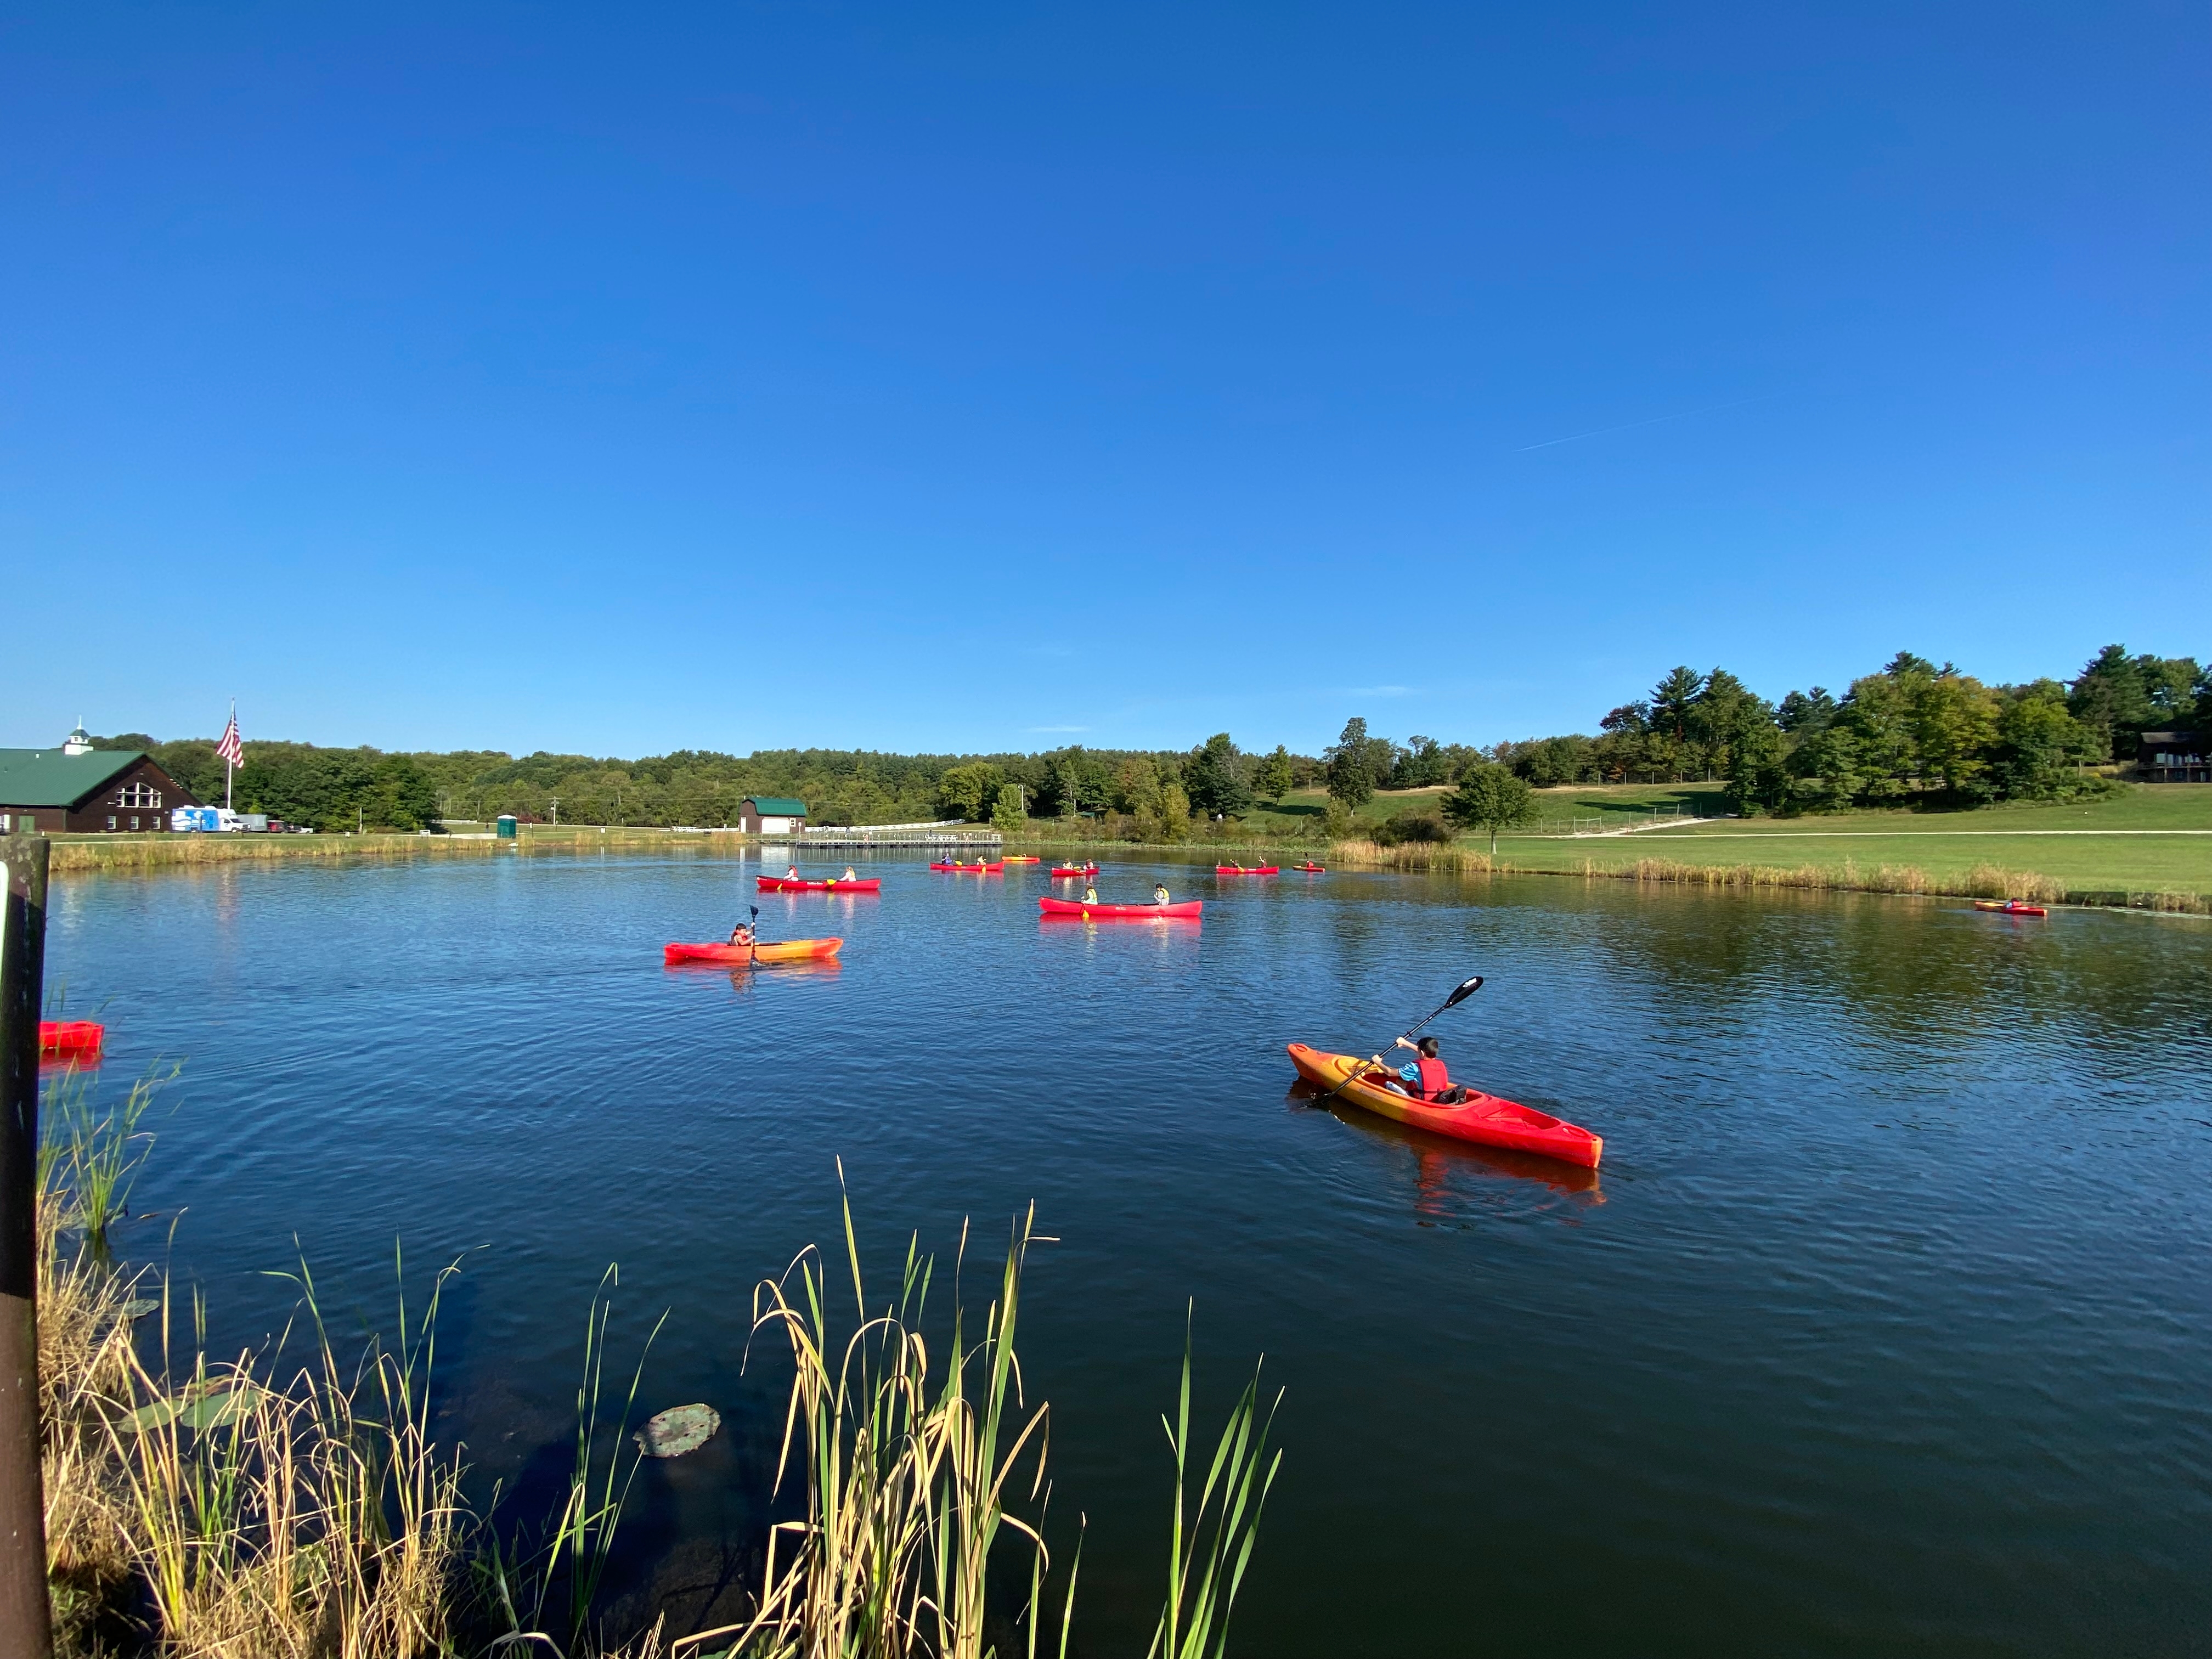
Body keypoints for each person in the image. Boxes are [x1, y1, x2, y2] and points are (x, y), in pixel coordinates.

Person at [1370, 1035, 1463, 1103]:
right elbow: (1422, 1053)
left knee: (1389, 1083)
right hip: (1437, 1099)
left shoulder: (1414, 1068)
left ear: (1422, 1053)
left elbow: (1389, 1073)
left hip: (1421, 1101)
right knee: (1404, 1080)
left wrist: (1377, 1062)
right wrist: (1405, 1043)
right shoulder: (1440, 1064)